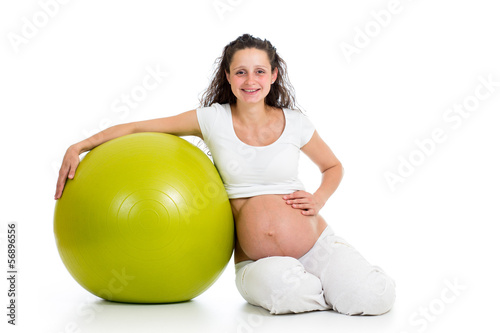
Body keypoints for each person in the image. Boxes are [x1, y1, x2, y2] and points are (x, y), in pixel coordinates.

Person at [55, 34, 395, 315]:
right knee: (291, 296)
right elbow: (139, 127)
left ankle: (338, 279)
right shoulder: (212, 120)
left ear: (274, 75)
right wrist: (81, 145)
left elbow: (333, 167)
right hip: (257, 261)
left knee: (373, 298)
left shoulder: (295, 123)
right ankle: (321, 287)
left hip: (316, 243)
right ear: (229, 77)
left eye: (260, 71)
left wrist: (318, 198)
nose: (251, 81)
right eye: (241, 72)